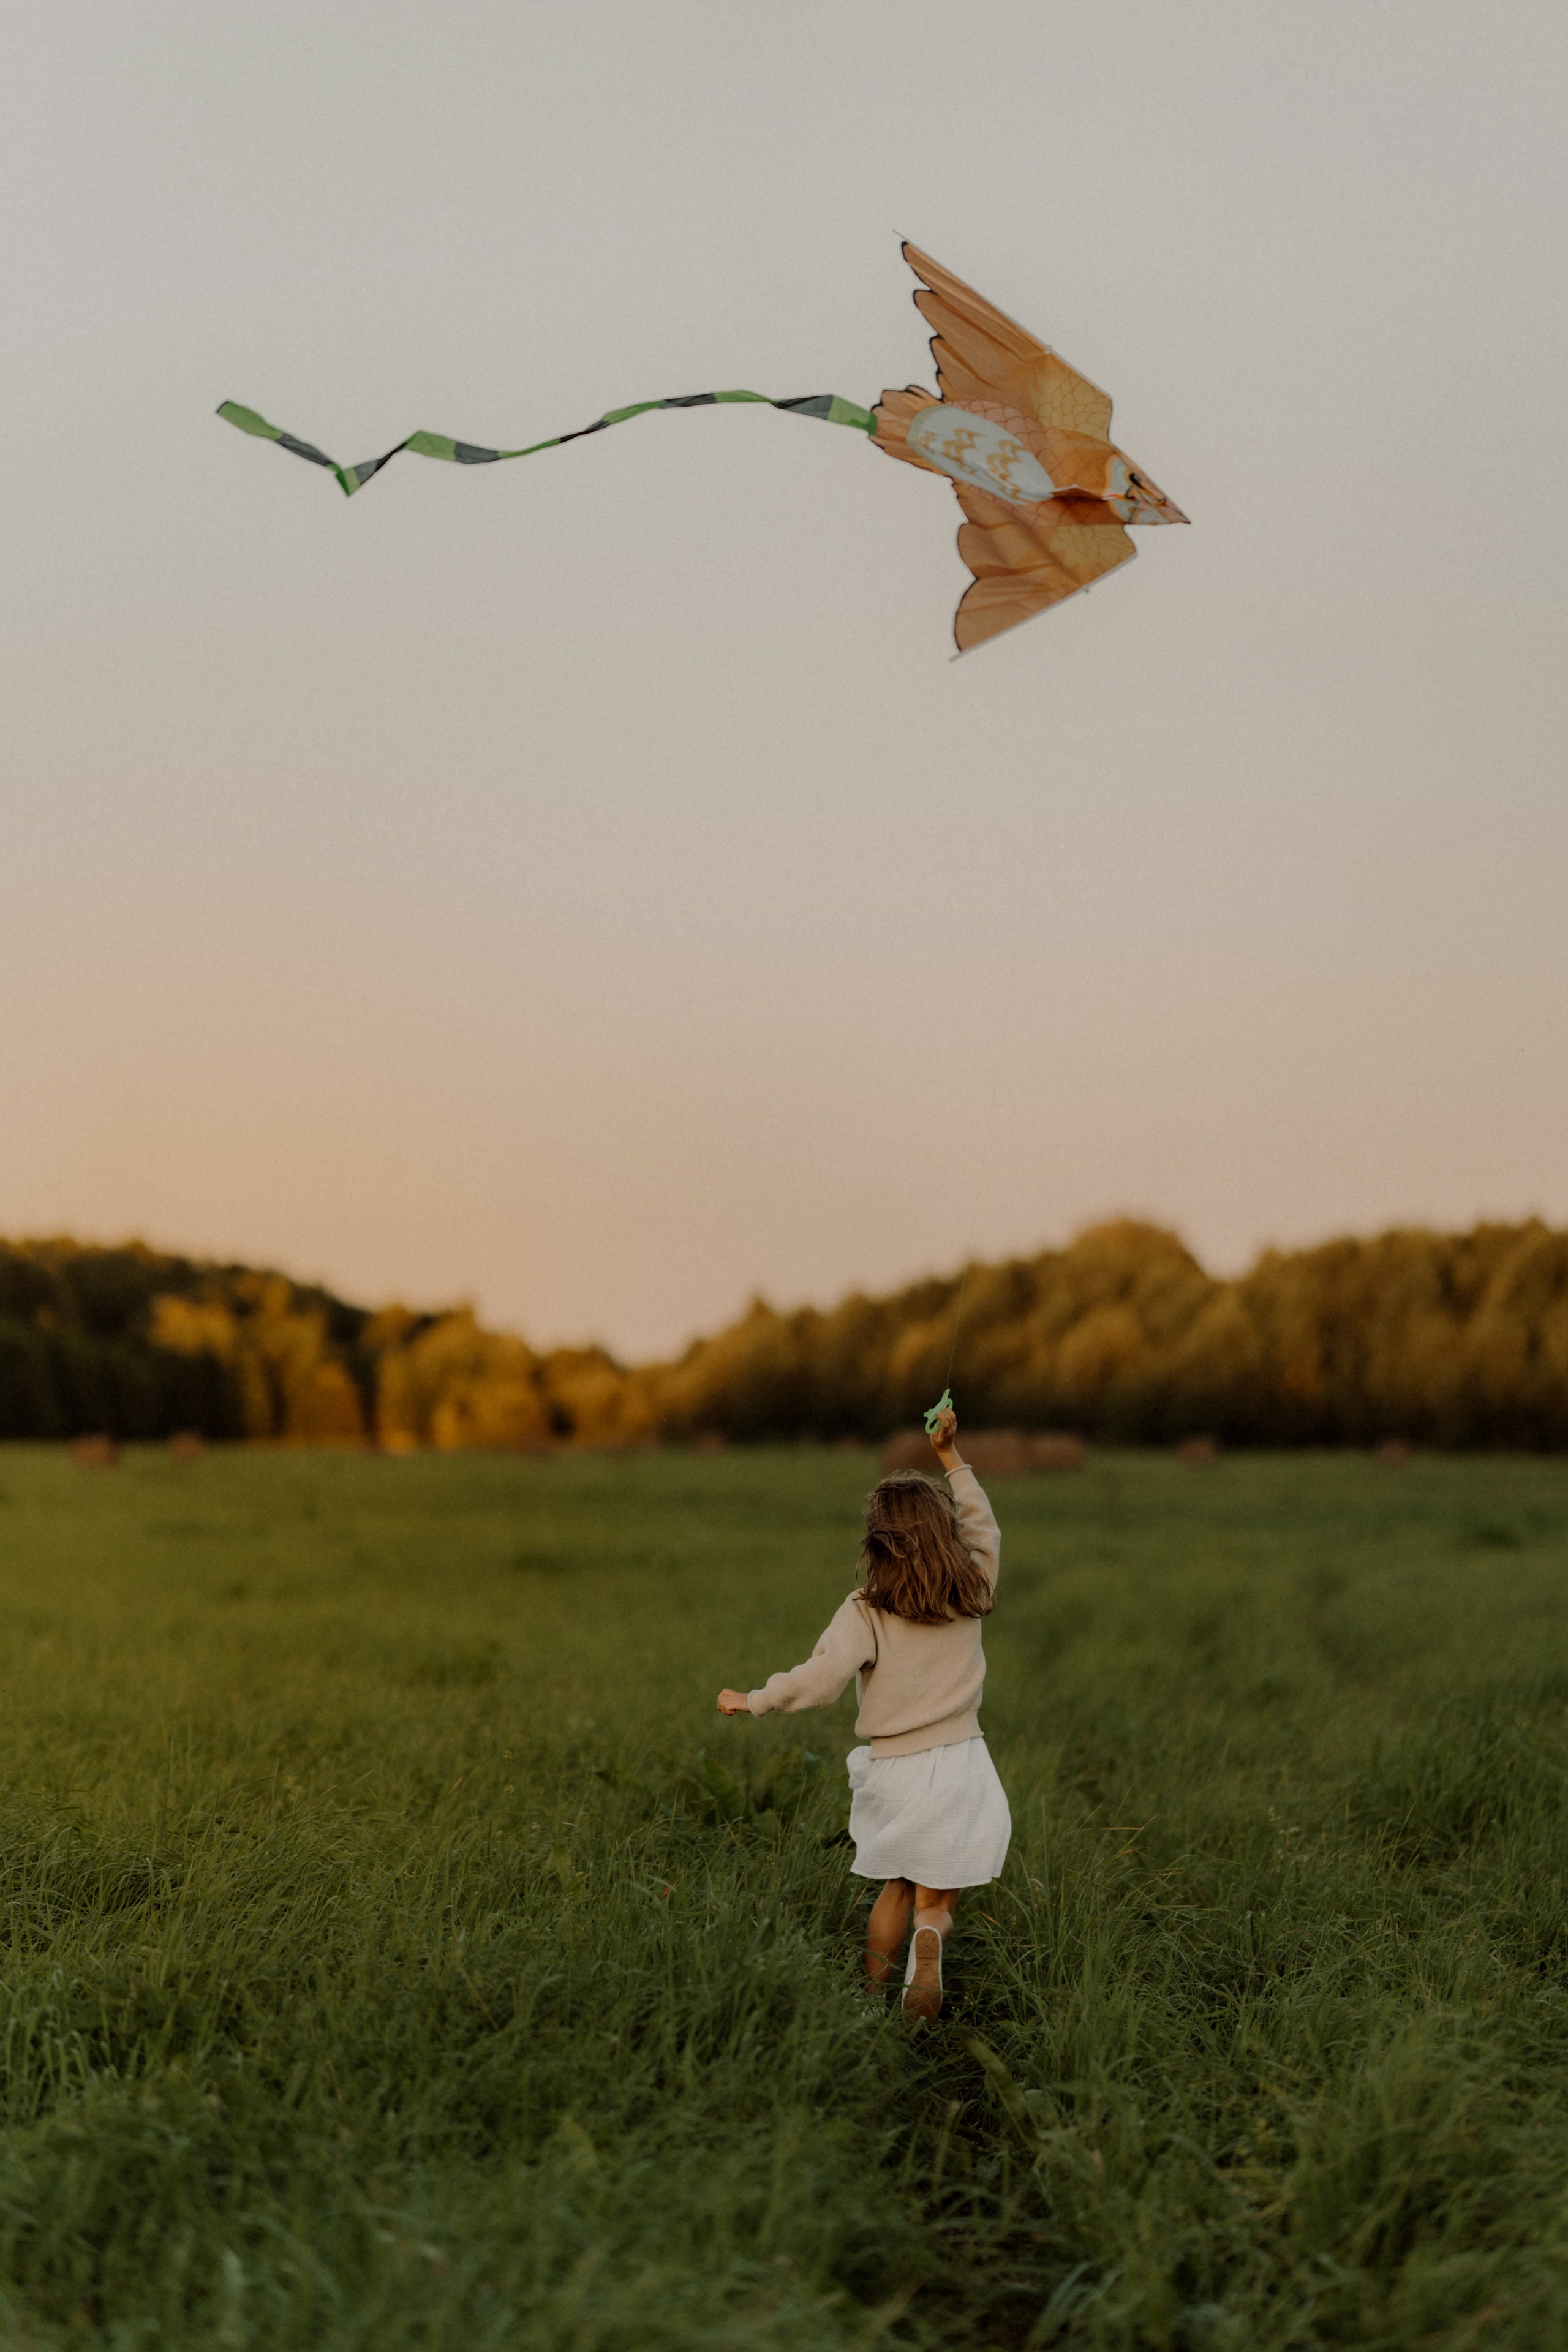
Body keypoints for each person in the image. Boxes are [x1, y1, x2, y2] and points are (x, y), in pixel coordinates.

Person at [717, 1406, 1009, 2020]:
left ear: (877, 1542)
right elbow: (986, 1528)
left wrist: (759, 1698)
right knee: (935, 1898)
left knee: (894, 1888)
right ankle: (931, 1937)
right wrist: (950, 1456)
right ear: (942, 1532)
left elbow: (821, 1680)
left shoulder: (866, 1607)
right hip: (961, 1762)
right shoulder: (971, 1585)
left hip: (896, 1771)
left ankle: (873, 2000)